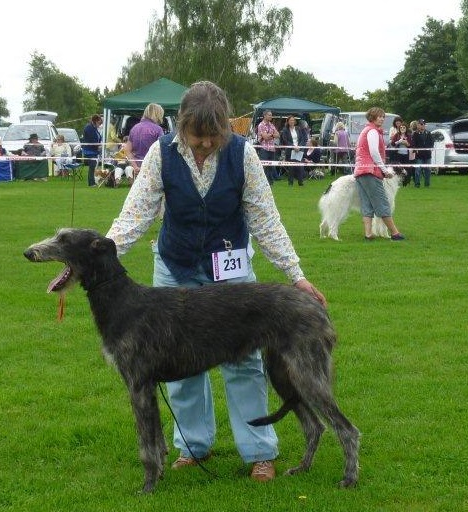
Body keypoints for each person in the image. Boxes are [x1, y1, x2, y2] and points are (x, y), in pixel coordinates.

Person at [105, 81, 327, 483]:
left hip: (232, 274)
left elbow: (265, 220)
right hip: (175, 267)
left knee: (245, 362)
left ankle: (259, 451)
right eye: (197, 137)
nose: (205, 145)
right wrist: (101, 255)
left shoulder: (244, 155)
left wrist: (296, 275)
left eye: (213, 137)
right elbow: (135, 214)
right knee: (179, 366)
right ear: (181, 126)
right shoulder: (161, 154)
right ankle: (192, 446)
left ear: (226, 127)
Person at [354, 107, 405, 241]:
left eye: (383, 116)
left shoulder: (366, 130)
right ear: (372, 117)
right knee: (382, 202)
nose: (382, 118)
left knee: (367, 204)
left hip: (360, 171)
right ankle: (395, 233)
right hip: (370, 171)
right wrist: (384, 170)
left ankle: (368, 234)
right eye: (379, 116)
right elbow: (374, 152)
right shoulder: (372, 131)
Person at [125, 103, 165, 176]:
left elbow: (127, 150)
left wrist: (135, 166)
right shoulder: (158, 130)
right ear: (158, 114)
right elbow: (162, 150)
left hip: (137, 166)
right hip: (152, 168)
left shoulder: (134, 128)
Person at [256, 110, 280, 185]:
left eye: (271, 115)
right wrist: (273, 135)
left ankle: (270, 182)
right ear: (265, 116)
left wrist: (270, 135)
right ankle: (262, 182)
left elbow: (278, 135)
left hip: (272, 148)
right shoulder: (261, 125)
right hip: (264, 148)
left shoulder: (272, 125)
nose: (271, 116)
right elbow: (265, 137)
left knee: (271, 166)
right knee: (264, 166)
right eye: (269, 115)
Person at [279, 115, 304, 186]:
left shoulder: (298, 128)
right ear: (288, 121)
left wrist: (299, 146)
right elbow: (285, 140)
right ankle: (290, 183)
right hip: (290, 151)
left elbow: (302, 139)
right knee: (291, 167)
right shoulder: (285, 130)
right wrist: (293, 147)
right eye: (290, 120)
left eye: (293, 120)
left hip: (299, 150)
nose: (292, 121)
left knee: (300, 166)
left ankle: (300, 182)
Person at [412, 119, 434, 187]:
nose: (422, 126)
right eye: (421, 124)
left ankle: (427, 184)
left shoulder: (428, 133)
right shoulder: (415, 134)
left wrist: (430, 148)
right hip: (419, 156)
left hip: (427, 155)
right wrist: (416, 150)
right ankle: (417, 184)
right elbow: (413, 144)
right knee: (418, 170)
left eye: (423, 124)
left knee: (428, 170)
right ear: (418, 125)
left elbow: (432, 142)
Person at [82, 114, 103, 187]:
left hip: (94, 150)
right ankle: (91, 183)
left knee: (93, 167)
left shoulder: (94, 128)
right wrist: (98, 146)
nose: (100, 125)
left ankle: (93, 181)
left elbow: (98, 138)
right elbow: (91, 140)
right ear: (95, 121)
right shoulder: (89, 128)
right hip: (89, 151)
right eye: (99, 123)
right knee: (92, 166)